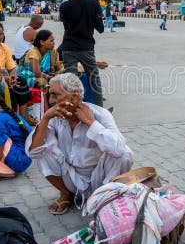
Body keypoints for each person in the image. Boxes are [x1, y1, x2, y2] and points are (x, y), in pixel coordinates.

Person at [27, 73, 133, 214]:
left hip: (101, 179)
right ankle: (66, 194)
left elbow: (119, 149)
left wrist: (91, 123)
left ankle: (104, 197)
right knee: (42, 150)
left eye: (55, 95)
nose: (51, 100)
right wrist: (45, 118)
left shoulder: (100, 114)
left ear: (75, 97)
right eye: (50, 95)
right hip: (72, 178)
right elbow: (34, 151)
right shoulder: (55, 117)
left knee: (125, 154)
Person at [59, 0, 105, 107]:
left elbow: (66, 26)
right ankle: (100, 109)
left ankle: (72, 108)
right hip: (86, 47)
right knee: (94, 78)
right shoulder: (93, 3)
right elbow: (100, 28)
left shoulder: (64, 6)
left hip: (68, 47)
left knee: (71, 80)